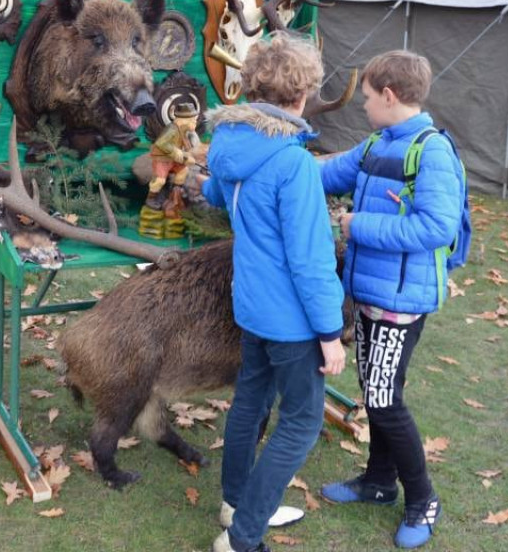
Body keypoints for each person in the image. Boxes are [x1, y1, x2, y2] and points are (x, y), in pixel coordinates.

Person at [200, 33, 346, 552]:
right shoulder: (295, 163)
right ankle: (242, 537)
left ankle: (236, 502)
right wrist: (331, 332)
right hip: (290, 318)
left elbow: (215, 190)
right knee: (301, 423)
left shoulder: (228, 142)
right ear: (302, 96)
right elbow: (311, 260)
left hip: (252, 306)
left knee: (251, 402)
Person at [318, 50, 464, 549]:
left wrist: (359, 225)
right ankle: (379, 483)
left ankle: (423, 500)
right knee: (378, 391)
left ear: (389, 95)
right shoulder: (379, 141)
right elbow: (330, 172)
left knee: (382, 399)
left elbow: (436, 226)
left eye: (366, 98)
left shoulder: (432, 151)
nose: (362, 107)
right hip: (371, 295)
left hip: (402, 302)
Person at [146, 101, 202, 217]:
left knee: (183, 171)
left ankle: (175, 193)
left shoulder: (185, 131)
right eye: (192, 119)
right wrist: (178, 153)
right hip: (162, 159)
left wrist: (188, 157)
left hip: (174, 160)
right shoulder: (172, 129)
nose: (195, 122)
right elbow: (161, 143)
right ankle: (150, 199)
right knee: (159, 181)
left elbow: (186, 147)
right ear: (183, 119)